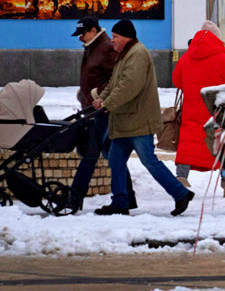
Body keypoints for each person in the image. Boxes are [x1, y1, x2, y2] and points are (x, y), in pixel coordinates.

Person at [92, 19, 193, 216]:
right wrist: (102, 99)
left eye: (115, 37)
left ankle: (180, 193)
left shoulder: (137, 54)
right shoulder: (125, 55)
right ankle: (120, 202)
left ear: (126, 36)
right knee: (116, 160)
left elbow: (129, 86)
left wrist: (108, 103)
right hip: (124, 120)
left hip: (138, 120)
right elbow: (115, 83)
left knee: (149, 161)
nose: (112, 41)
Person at [171, 21, 225, 196]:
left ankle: (181, 178)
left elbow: (177, 81)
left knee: (188, 145)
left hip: (191, 111)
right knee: (220, 144)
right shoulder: (221, 55)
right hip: (214, 111)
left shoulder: (186, 57)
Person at [67, 16, 133, 211]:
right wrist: (84, 95)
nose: (80, 38)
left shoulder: (105, 49)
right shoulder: (93, 48)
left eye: (83, 33)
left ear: (94, 31)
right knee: (113, 154)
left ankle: (75, 197)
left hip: (102, 109)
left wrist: (97, 94)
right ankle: (129, 197)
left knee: (91, 152)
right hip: (94, 108)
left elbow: (118, 78)